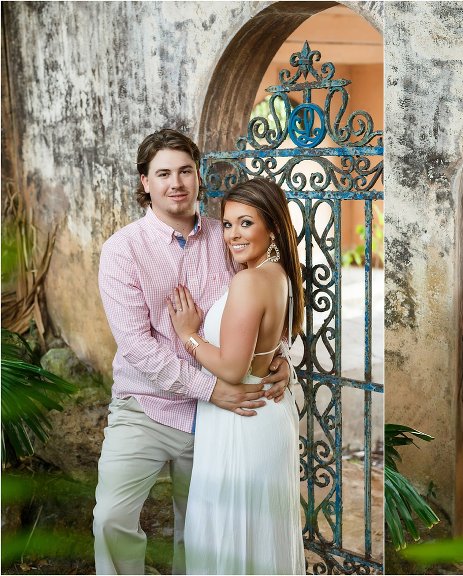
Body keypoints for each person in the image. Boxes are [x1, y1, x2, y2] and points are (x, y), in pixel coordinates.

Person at [94, 129, 292, 575]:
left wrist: (282, 360)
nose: (176, 183)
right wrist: (211, 388)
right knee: (110, 517)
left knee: (201, 531)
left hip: (217, 419)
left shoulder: (229, 238)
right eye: (163, 173)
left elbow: (264, 307)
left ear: (198, 176)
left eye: (185, 171)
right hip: (146, 406)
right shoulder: (122, 251)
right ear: (145, 181)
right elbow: (138, 346)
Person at [165, 176, 306, 574]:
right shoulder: (279, 275)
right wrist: (282, 362)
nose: (232, 234)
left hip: (240, 419)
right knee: (258, 541)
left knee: (231, 540)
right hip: (263, 413)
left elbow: (232, 367)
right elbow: (269, 346)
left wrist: (189, 335)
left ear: (272, 227)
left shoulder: (248, 281)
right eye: (227, 224)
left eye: (246, 223)